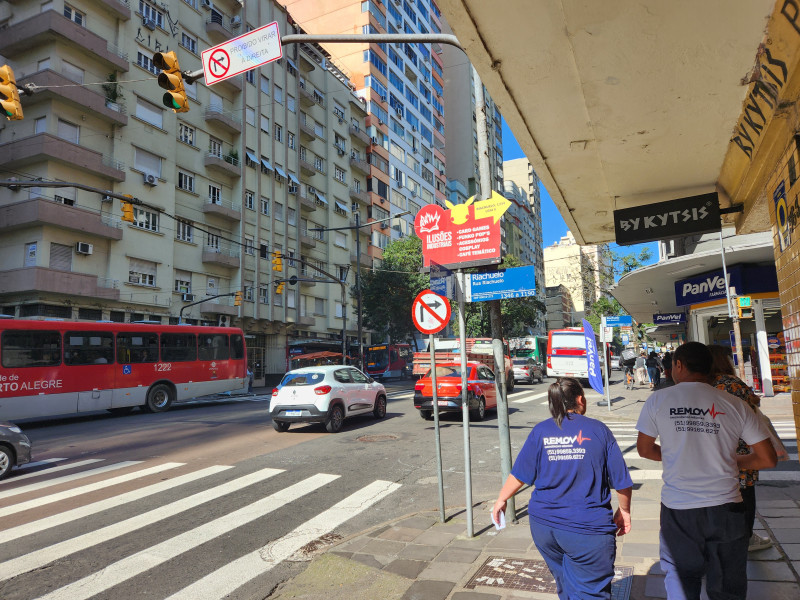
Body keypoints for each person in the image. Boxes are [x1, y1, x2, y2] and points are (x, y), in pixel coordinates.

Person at [636, 342, 777, 600]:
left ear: (679, 365)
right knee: (727, 584)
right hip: (727, 507)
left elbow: (644, 449)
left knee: (681, 578)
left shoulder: (658, 400)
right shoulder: (735, 404)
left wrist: (678, 457)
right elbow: (768, 459)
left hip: (679, 510)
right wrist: (731, 461)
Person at [493, 378, 633, 600]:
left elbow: (520, 474)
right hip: (587, 530)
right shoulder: (598, 430)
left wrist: (501, 499)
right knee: (591, 591)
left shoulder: (540, 431)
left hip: (544, 527)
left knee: (566, 583)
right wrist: (624, 511)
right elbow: (622, 481)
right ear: (580, 400)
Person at [707, 344, 772, 553]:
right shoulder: (732, 383)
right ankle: (746, 537)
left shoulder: (705, 385)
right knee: (744, 493)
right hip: (740, 447)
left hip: (713, 448)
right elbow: (750, 405)